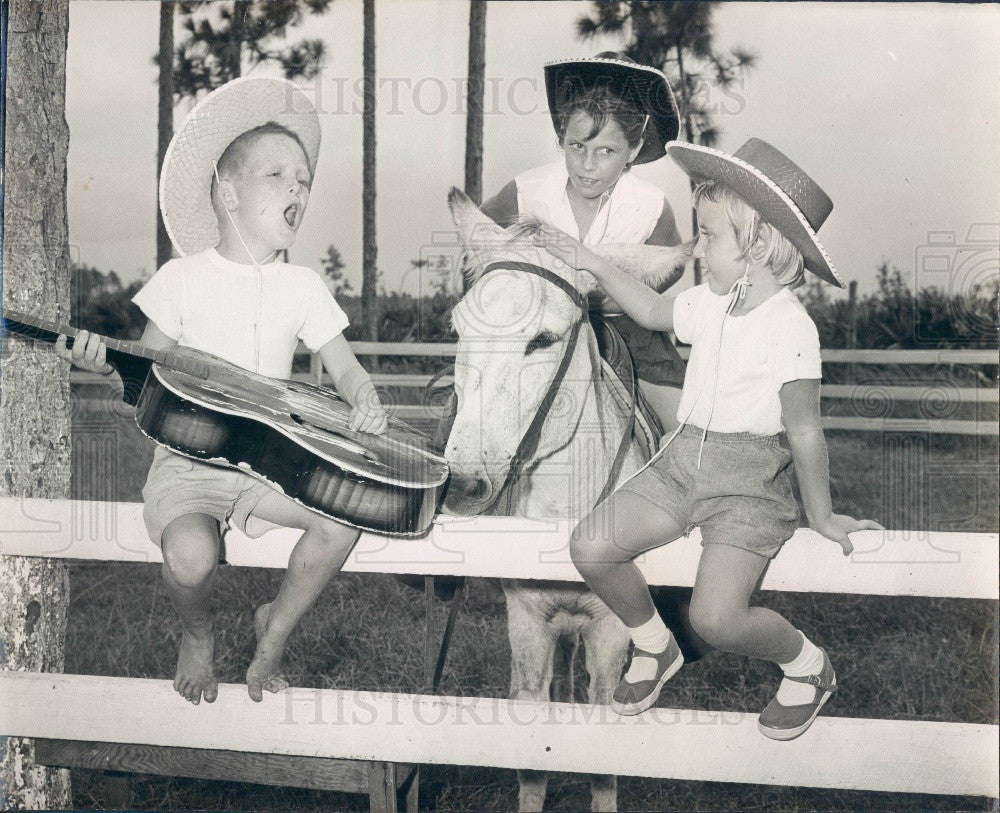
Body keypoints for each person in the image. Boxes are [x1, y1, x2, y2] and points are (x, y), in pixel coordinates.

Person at [537, 137, 884, 739]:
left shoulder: (791, 327)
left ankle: (806, 665)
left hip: (749, 484)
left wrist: (823, 516)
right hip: (683, 461)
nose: (699, 247)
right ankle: (653, 643)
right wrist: (591, 262)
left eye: (711, 237)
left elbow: (803, 429)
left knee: (718, 618)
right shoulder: (708, 303)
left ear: (757, 243)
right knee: (592, 546)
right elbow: (649, 311)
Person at [57, 76, 388, 706]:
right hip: (188, 457)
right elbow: (148, 374)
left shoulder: (303, 287)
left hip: (271, 459)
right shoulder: (181, 278)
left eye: (303, 178)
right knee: (189, 555)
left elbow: (345, 369)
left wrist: (364, 395)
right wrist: (106, 364)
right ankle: (198, 628)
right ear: (227, 192)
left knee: (343, 517)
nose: (298, 186)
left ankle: (274, 632)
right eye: (276, 175)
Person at [481, 52, 686, 433]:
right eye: (577, 147)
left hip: (626, 330)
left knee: (681, 424)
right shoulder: (526, 191)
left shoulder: (650, 204)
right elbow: (479, 239)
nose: (588, 166)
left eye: (606, 151)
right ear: (562, 137)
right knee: (474, 406)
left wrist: (621, 294)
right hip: (535, 330)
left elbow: (672, 263)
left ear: (635, 149)